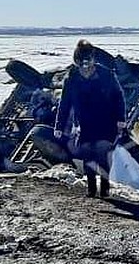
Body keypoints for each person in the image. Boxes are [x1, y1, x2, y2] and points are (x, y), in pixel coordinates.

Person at [54, 39, 126, 198]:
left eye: (89, 61)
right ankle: (92, 190)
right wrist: (58, 126)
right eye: (82, 62)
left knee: (103, 155)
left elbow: (118, 97)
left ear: (93, 59)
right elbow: (64, 104)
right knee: (87, 155)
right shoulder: (71, 79)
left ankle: (105, 190)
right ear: (77, 61)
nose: (86, 67)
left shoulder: (106, 75)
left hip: (105, 122)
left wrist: (121, 118)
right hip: (84, 124)